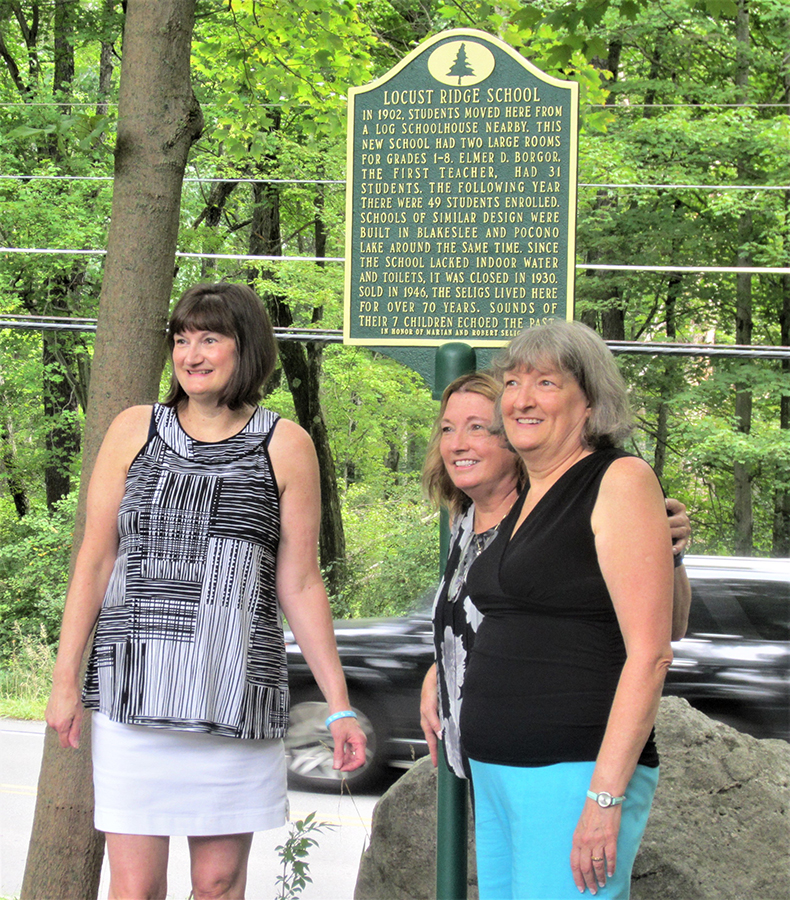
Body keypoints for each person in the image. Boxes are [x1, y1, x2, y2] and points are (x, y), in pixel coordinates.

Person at [45, 283, 366, 900]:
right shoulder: (135, 429)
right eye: (181, 339)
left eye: (209, 338)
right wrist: (65, 682)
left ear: (245, 350)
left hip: (235, 695)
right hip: (133, 694)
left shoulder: (286, 444)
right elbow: (95, 558)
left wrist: (341, 703)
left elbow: (298, 582)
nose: (191, 354)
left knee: (218, 885)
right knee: (135, 890)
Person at [455, 319, 678, 899]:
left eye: (546, 383)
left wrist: (604, 797)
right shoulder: (528, 493)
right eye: (512, 383)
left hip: (573, 771)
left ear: (589, 401)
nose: (522, 399)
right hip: (499, 767)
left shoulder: (618, 481)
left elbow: (652, 651)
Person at [420, 371, 691, 784]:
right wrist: (439, 669)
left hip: (555, 760)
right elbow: (485, 627)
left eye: (478, 427)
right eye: (447, 429)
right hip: (484, 760)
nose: (457, 444)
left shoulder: (568, 516)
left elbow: (667, 629)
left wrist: (669, 551)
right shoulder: (464, 520)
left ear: (514, 435)